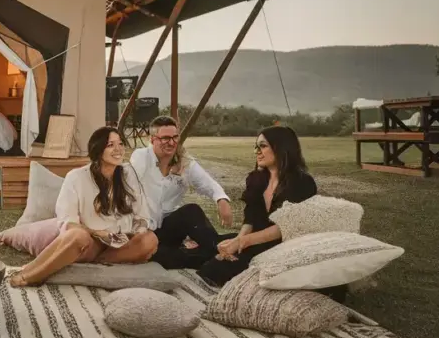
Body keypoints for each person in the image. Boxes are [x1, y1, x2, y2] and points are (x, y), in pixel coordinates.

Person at [8, 127, 158, 287]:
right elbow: (67, 221)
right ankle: (31, 276)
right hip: (90, 242)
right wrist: (97, 233)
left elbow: (142, 217)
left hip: (119, 247)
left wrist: (133, 234)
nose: (118, 149)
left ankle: (100, 262)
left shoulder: (128, 174)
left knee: (150, 239)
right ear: (98, 149)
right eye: (110, 145)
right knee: (77, 236)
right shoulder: (77, 177)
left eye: (120, 143)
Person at [195, 125, 317, 287]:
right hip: (257, 239)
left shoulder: (302, 183)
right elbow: (250, 217)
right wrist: (238, 241)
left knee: (222, 270)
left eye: (263, 146)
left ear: (281, 148)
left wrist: (242, 242)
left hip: (285, 243)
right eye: (256, 147)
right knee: (212, 266)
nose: (257, 152)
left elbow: (284, 227)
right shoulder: (256, 178)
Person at [130, 115, 233, 269]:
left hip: (168, 229)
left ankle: (220, 248)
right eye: (165, 138)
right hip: (142, 231)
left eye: (174, 137)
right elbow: (129, 187)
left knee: (191, 211)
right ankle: (219, 252)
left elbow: (207, 183)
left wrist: (221, 200)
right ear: (153, 140)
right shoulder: (141, 157)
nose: (171, 142)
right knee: (165, 258)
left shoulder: (185, 162)